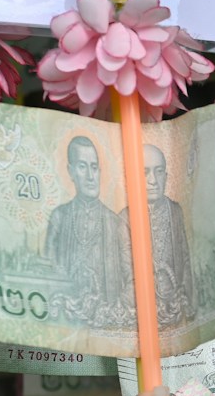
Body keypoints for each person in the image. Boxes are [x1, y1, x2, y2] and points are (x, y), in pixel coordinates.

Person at [44, 136, 131, 325]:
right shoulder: (59, 217)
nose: (91, 176)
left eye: (94, 167)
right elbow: (48, 273)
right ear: (71, 171)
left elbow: (131, 278)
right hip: (66, 322)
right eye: (83, 167)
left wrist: (115, 311)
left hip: (107, 323)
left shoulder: (116, 223)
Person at [125, 144, 196, 329]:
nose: (153, 181)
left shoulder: (175, 211)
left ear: (166, 176)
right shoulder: (123, 218)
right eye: (145, 172)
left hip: (177, 313)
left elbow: (185, 261)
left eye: (158, 172)